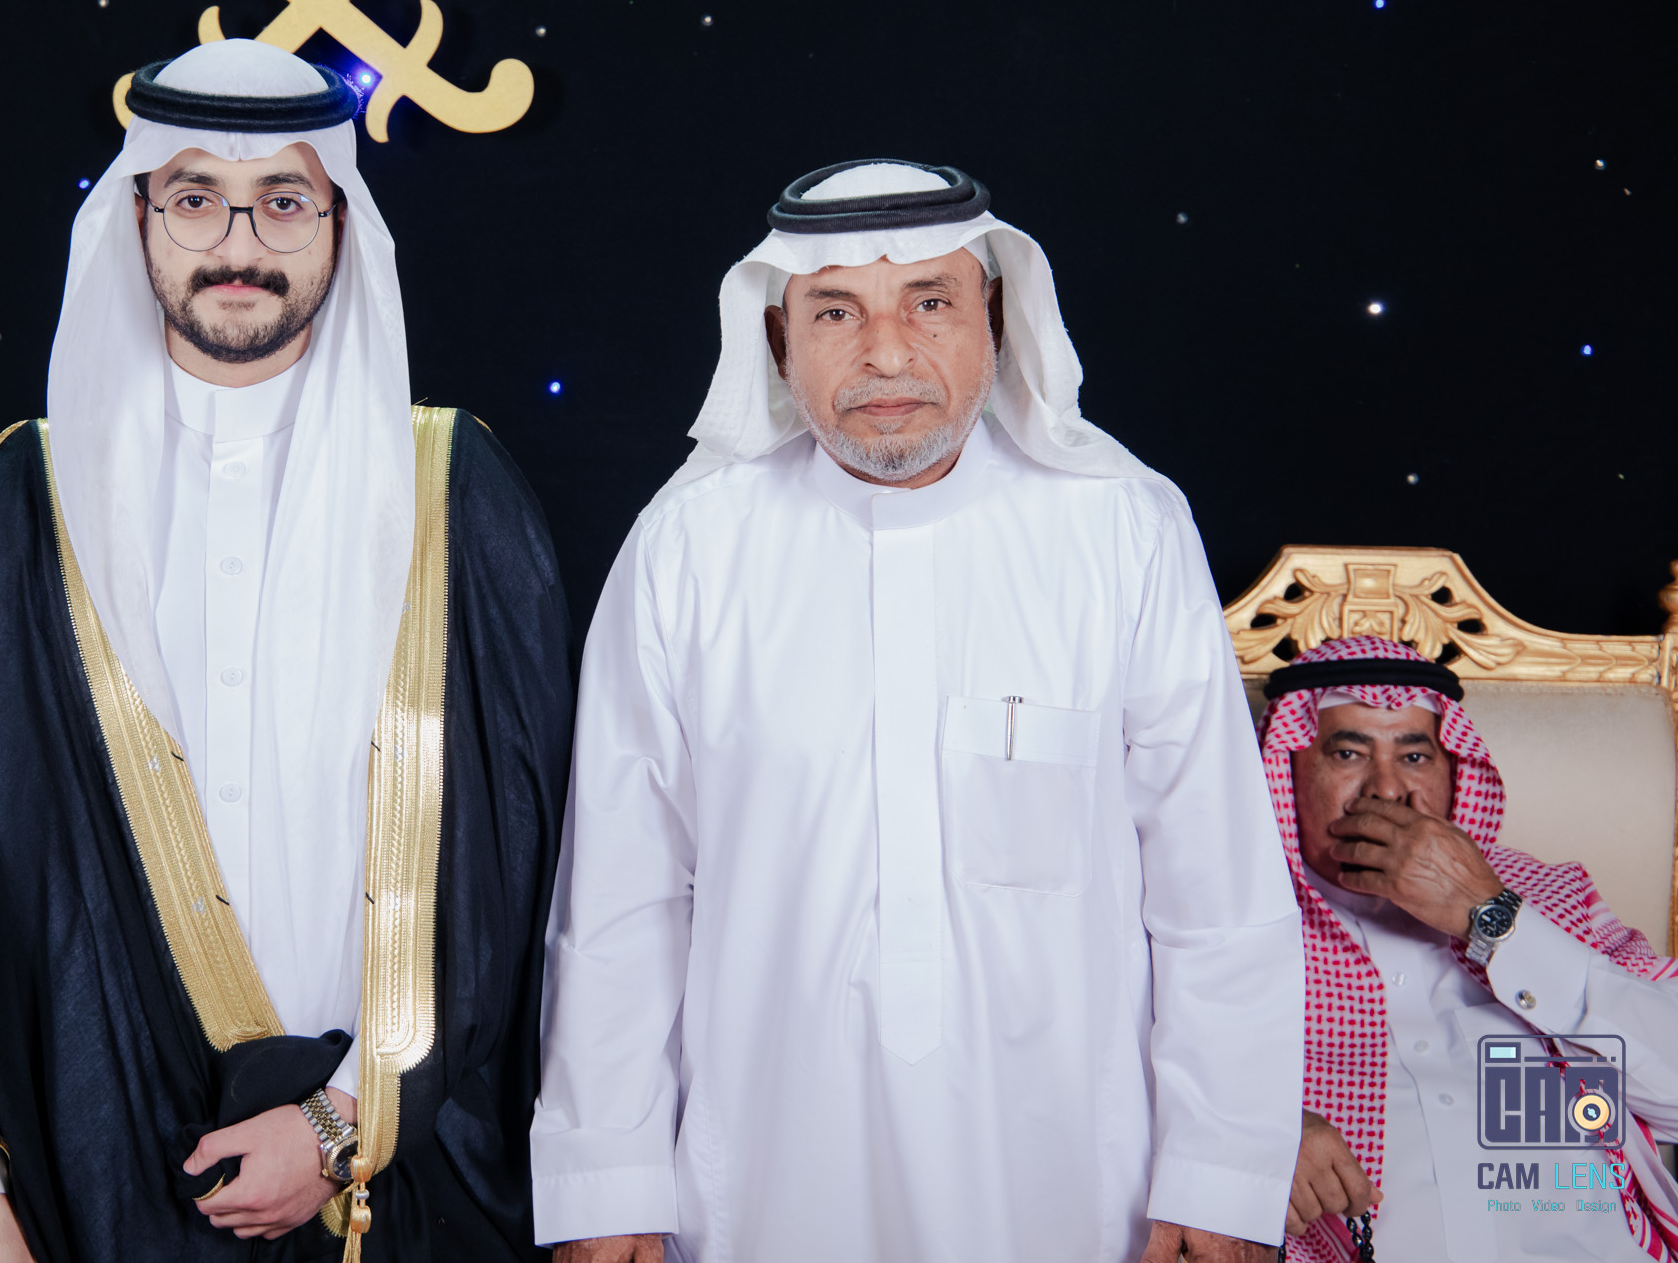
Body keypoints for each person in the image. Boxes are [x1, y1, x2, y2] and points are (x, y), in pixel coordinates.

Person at [0, 39, 570, 1263]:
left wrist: (346, 1119)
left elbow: (525, 860)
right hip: (94, 1167)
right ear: (138, 216)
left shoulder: (453, 487)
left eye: (283, 202)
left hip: (396, 1184)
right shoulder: (21, 502)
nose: (238, 244)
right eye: (195, 199)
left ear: (340, 226)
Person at [530, 159, 1305, 1262]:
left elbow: (1213, 889)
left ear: (994, 318)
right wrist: (606, 1184)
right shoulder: (686, 551)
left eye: (929, 303)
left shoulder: (1123, 532)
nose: (885, 353)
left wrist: (1221, 1171)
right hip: (759, 1177)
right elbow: (621, 898)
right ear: (777, 339)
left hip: (1079, 1184)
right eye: (834, 311)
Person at [1262, 634, 1678, 1262]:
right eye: (1348, 753)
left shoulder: (1555, 898)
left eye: (1415, 756)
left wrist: (1492, 918)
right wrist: (1250, 1133)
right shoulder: (1219, 928)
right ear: (1288, 770)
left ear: (1455, 772)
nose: (1387, 790)